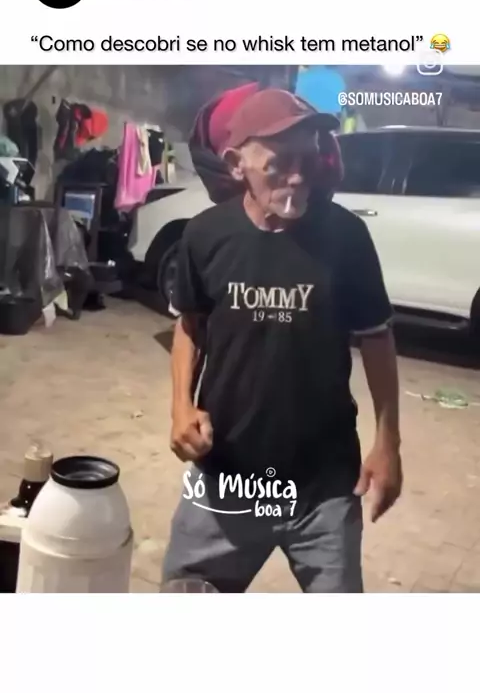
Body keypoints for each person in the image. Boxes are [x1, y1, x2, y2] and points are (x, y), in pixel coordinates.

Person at [163, 88, 402, 593]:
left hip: (324, 488)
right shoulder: (205, 235)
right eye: (278, 164)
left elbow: (377, 339)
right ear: (237, 165)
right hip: (224, 476)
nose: (297, 178)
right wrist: (181, 406)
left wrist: (388, 443)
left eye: (307, 161)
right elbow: (190, 325)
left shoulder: (346, 238)